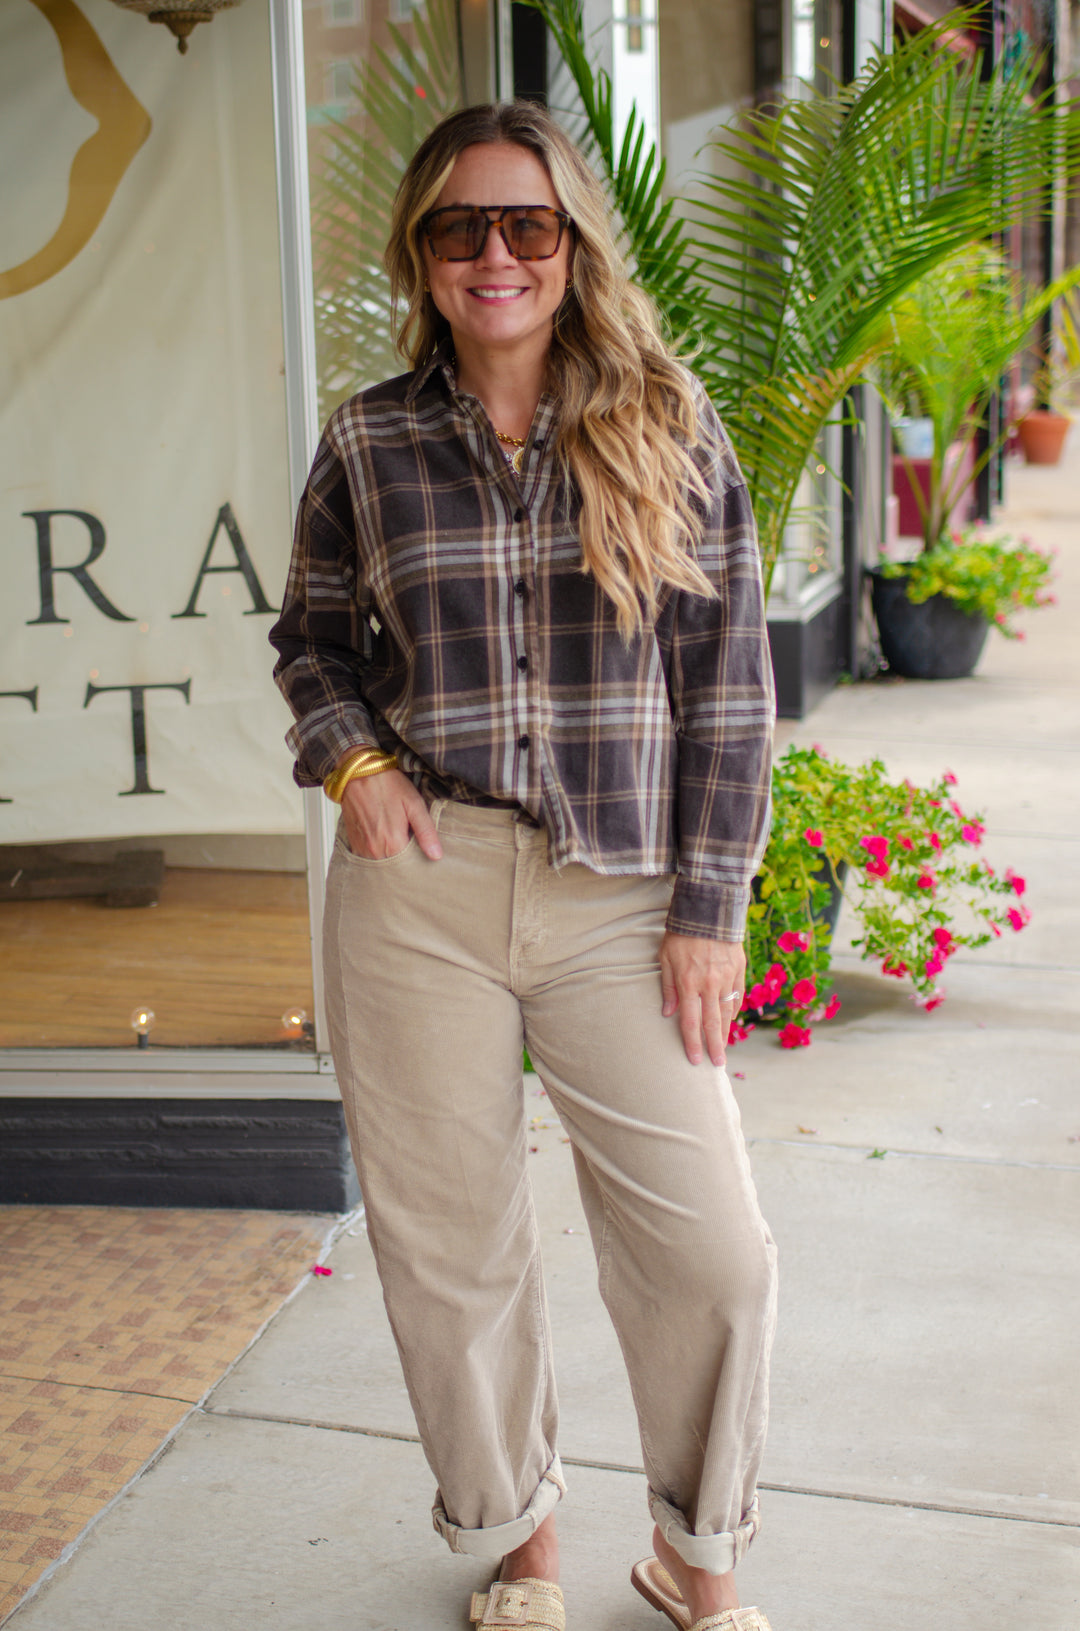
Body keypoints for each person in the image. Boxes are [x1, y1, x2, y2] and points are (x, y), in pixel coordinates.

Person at [270, 100, 777, 1631]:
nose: (495, 254)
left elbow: (733, 688)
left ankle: (696, 1552)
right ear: (422, 257)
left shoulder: (668, 423)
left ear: (571, 249)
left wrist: (710, 912)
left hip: (620, 897)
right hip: (421, 889)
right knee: (450, 1241)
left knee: (712, 1248)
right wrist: (355, 767)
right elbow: (312, 643)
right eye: (460, 228)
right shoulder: (368, 437)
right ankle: (518, 1540)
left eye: (528, 225)